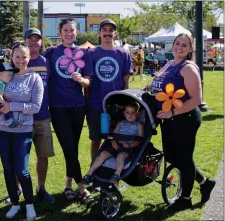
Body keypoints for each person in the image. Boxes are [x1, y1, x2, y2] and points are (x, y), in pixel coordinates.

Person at [149, 33, 216, 211]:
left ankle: (185, 199)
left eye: (184, 45)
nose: (179, 47)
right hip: (169, 119)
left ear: (191, 49)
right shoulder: (170, 63)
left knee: (184, 159)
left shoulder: (188, 68)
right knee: (174, 158)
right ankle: (205, 182)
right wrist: (149, 88)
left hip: (184, 119)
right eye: (177, 43)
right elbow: (160, 84)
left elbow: (196, 99)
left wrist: (172, 112)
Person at [0, 42, 43, 220]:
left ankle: (29, 204)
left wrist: (12, 106)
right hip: (1, 129)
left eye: (24, 56)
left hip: (23, 130)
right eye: (17, 56)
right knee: (7, 168)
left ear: (29, 58)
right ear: (11, 57)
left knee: (21, 169)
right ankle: (14, 202)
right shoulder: (6, 75)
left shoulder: (34, 78)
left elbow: (35, 106)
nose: (20, 60)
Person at [43, 18, 94, 204]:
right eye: (65, 30)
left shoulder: (83, 53)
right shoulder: (51, 53)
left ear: (76, 32)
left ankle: (67, 186)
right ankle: (82, 188)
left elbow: (89, 81)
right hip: (58, 107)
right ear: (60, 32)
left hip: (78, 106)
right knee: (69, 147)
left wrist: (81, 80)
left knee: (71, 147)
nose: (69, 33)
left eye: (72, 30)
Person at [87, 19, 133, 162]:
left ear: (115, 33)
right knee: (96, 140)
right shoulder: (91, 53)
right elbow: (88, 81)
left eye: (110, 30)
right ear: (99, 33)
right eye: (104, 30)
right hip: (95, 105)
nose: (107, 33)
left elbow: (126, 81)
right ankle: (94, 169)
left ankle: (111, 170)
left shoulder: (123, 53)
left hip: (116, 106)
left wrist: (127, 103)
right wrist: (88, 103)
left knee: (115, 139)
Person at [25, 28, 55, 203]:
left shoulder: (46, 62)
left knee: (43, 155)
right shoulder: (20, 60)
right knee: (20, 156)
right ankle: (18, 189)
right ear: (26, 41)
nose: (34, 42)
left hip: (43, 116)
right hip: (23, 117)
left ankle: (41, 188)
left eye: (37, 39)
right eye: (31, 39)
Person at [83, 102, 144, 185]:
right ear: (124, 113)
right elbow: (113, 135)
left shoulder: (139, 125)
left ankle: (116, 175)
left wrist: (130, 145)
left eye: (133, 112)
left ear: (138, 114)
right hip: (115, 145)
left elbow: (139, 140)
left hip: (127, 148)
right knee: (103, 154)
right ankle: (89, 174)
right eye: (127, 112)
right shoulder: (120, 123)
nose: (130, 115)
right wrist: (113, 142)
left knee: (121, 156)